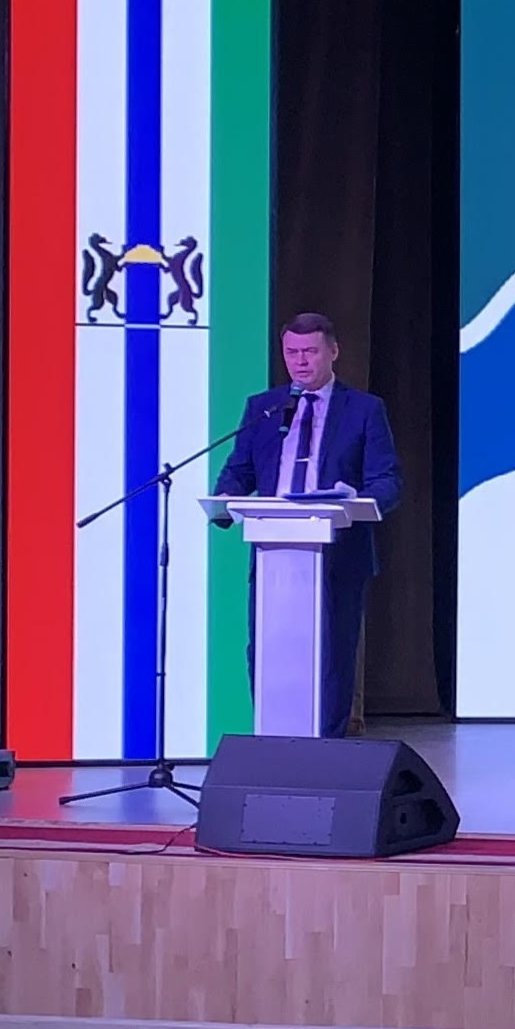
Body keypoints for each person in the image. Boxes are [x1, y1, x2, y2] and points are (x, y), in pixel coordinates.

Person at [210, 313, 403, 737]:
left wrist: (357, 499)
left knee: (332, 656)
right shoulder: (263, 407)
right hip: (274, 554)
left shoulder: (364, 409)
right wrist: (224, 498)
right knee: (265, 649)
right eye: (291, 352)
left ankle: (325, 748)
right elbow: (240, 470)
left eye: (310, 352)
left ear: (333, 352)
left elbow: (388, 480)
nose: (300, 361)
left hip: (338, 554)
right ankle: (272, 741)